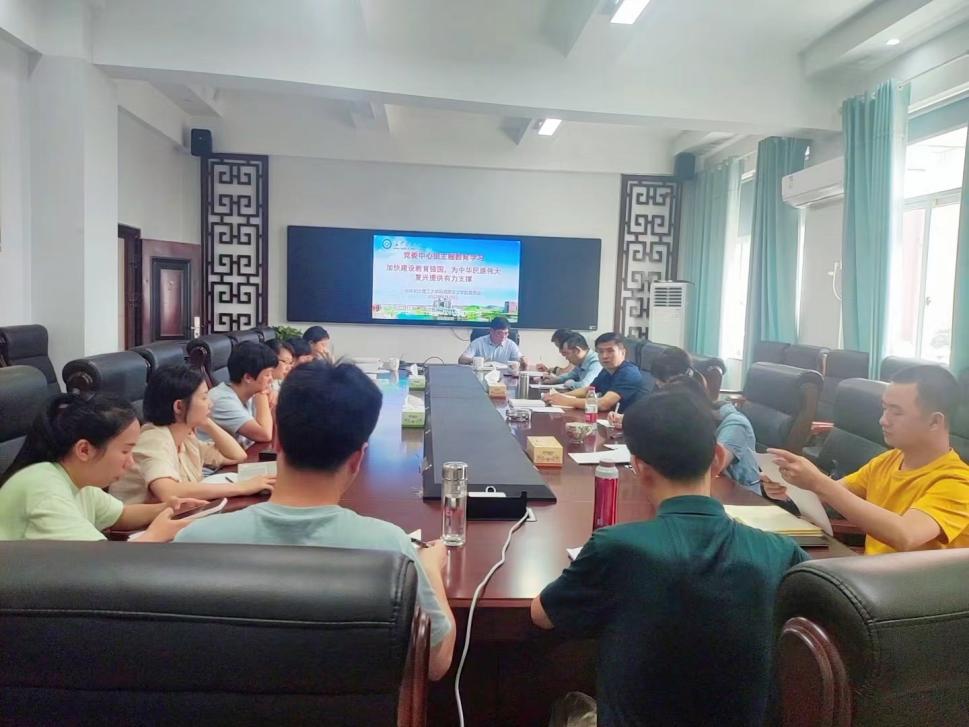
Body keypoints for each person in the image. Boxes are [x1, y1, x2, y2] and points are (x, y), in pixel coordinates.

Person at [531, 391, 808, 726]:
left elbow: (542, 615)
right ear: (718, 458)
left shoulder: (616, 547)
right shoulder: (782, 552)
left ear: (639, 467)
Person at [176, 361, 456, 680]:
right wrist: (429, 568)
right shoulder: (391, 550)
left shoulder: (194, 542)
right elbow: (436, 663)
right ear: (358, 458)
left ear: (277, 442)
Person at [763, 365, 969, 555]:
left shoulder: (957, 483)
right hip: (870, 572)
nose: (883, 420)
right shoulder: (889, 460)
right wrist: (788, 488)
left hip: (908, 582)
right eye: (885, 409)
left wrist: (819, 482)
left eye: (896, 412)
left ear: (934, 421)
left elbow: (905, 535)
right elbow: (829, 495)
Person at [0, 394, 206, 541]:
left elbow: (120, 515)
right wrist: (155, 535)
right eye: (125, 451)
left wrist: (168, 508)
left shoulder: (78, 479)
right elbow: (100, 565)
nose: (131, 462)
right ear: (84, 450)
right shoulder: (45, 490)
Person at [109, 364, 274, 505]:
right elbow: (168, 491)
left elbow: (238, 456)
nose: (210, 403)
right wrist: (241, 487)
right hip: (139, 529)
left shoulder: (185, 437)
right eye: (204, 398)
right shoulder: (153, 439)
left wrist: (207, 422)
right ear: (179, 407)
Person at [198, 341, 277, 449]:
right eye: (267, 374)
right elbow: (265, 435)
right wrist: (262, 396)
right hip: (216, 459)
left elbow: (277, 422)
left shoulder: (250, 392)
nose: (271, 379)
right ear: (248, 378)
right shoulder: (222, 401)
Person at [545, 333, 645, 413]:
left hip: (627, 425)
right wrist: (560, 396)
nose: (604, 356)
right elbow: (588, 390)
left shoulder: (629, 373)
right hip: (609, 419)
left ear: (623, 352)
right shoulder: (607, 370)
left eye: (610, 351)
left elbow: (603, 404)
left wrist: (567, 401)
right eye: (600, 352)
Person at [458, 316, 527, 367]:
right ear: (491, 331)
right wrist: (477, 360)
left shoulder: (511, 344)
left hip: (503, 377)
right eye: (499, 333)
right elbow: (461, 360)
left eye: (506, 333)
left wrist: (523, 360)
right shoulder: (478, 342)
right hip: (480, 376)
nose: (503, 336)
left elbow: (521, 359)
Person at [266, 339, 295, 406]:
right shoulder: (261, 387)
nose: (289, 368)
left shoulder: (279, 381)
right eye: (284, 362)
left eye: (290, 363)